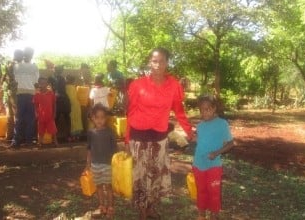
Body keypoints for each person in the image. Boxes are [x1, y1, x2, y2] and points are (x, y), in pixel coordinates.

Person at [125, 47, 194, 220]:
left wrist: (190, 132)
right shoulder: (137, 84)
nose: (157, 65)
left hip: (159, 137)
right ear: (150, 62)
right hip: (138, 136)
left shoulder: (174, 86)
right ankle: (142, 210)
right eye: (154, 61)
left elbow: (179, 111)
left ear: (167, 63)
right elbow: (131, 112)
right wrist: (127, 138)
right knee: (140, 175)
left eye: (162, 61)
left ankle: (151, 207)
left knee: (156, 174)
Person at [192, 95, 234, 220]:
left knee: (214, 191)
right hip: (198, 164)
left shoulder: (222, 124)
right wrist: (194, 139)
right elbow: (201, 140)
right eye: (202, 110)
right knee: (201, 190)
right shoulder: (200, 125)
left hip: (214, 165)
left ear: (214, 108)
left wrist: (216, 153)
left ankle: (214, 215)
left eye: (207, 109)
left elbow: (231, 143)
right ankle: (201, 214)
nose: (204, 113)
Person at [85, 103, 117, 219]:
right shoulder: (91, 133)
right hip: (95, 165)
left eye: (102, 117)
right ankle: (102, 206)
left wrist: (116, 165)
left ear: (106, 118)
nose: (99, 120)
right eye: (96, 117)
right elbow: (89, 149)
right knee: (98, 186)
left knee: (108, 187)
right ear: (92, 118)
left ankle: (110, 207)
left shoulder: (110, 132)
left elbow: (115, 150)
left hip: (108, 165)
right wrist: (88, 165)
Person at [11, 47, 39, 147]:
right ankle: (20, 141)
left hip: (28, 94)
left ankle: (23, 141)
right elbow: (36, 82)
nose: (29, 55)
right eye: (28, 53)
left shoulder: (17, 66)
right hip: (25, 94)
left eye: (30, 53)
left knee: (26, 118)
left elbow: (36, 82)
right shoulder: (19, 66)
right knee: (22, 118)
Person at [4, 49, 23, 140]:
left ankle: (9, 135)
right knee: (17, 114)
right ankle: (18, 136)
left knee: (10, 114)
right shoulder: (17, 65)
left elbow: (4, 78)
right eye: (22, 56)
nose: (23, 58)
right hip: (15, 92)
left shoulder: (8, 64)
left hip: (9, 92)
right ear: (18, 56)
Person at [33, 77, 58, 147]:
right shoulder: (37, 94)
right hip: (41, 115)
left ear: (47, 84)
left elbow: (54, 104)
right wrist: (36, 113)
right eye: (41, 83)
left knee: (53, 130)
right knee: (40, 130)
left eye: (44, 83)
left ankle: (55, 142)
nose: (43, 85)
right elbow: (35, 104)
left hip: (49, 115)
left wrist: (54, 113)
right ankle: (40, 142)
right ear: (39, 84)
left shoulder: (51, 93)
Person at [49, 65, 71, 142]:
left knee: (56, 119)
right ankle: (68, 136)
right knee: (67, 118)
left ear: (55, 70)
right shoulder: (62, 78)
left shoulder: (51, 78)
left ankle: (54, 137)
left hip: (57, 100)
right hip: (64, 99)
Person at [65, 74, 83, 141]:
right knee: (77, 119)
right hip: (75, 105)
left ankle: (72, 136)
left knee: (72, 120)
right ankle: (77, 136)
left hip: (70, 105)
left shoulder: (66, 87)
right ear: (73, 81)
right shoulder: (73, 87)